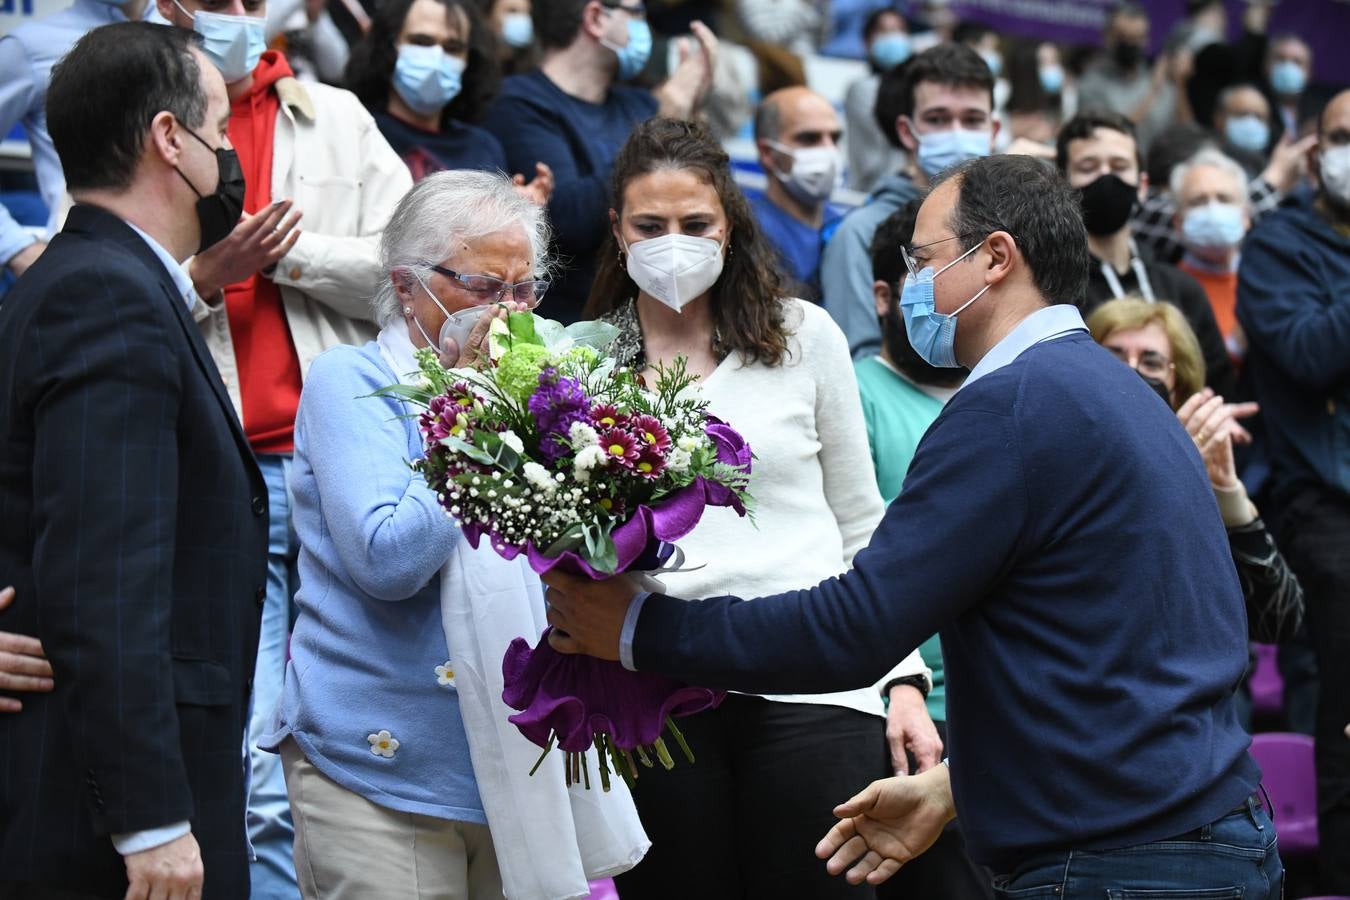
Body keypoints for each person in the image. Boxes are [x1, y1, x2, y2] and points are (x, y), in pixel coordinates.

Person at [540, 153, 1280, 899]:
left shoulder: (1011, 408)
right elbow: (1118, 659)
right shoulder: (1122, 393)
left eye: (923, 260)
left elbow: (854, 629)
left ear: (995, 258)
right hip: (1203, 828)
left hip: (1118, 859)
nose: (911, 286)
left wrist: (637, 630)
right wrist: (958, 789)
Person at [257, 168, 647, 899]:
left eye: (523, 290)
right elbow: (388, 559)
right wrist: (473, 405)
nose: (507, 312)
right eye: (482, 287)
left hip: (518, 755)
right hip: (376, 766)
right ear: (408, 286)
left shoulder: (542, 396)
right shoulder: (351, 381)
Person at [583, 116, 931, 900]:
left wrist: (904, 681)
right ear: (617, 230)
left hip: (817, 681)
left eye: (696, 223)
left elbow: (863, 524)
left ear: (731, 228)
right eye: (650, 225)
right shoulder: (585, 361)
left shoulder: (806, 336)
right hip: (657, 688)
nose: (675, 241)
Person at [0, 22, 269, 898]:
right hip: (117, 824)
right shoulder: (105, 295)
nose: (229, 156)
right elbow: (105, 573)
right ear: (168, 139)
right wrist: (149, 818)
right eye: (220, 133)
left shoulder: (98, 283)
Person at [156, 0, 414, 892]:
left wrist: (278, 256)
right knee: (256, 760)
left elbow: (407, 275)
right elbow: (114, 295)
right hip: (220, 479)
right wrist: (202, 276)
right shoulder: (142, 124)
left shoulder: (337, 115)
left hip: (352, 474)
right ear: (161, 8)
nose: (231, 14)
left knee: (377, 732)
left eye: (243, 0)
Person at [853, 201, 992, 900]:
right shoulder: (856, 394)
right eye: (918, 273)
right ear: (885, 296)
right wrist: (899, 688)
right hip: (908, 709)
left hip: (999, 706)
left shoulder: (995, 392)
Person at [1237, 88, 1350, 895]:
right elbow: (1311, 354)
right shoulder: (1280, 243)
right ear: (1314, 153)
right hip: (1327, 514)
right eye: (1344, 137)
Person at [481, 0, 718, 324]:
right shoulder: (518, 104)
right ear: (595, 18)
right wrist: (665, 116)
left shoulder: (638, 103)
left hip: (654, 317)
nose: (644, 28)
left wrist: (691, 118)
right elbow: (568, 221)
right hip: (573, 328)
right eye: (636, 13)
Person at [1086, 297, 1302, 646]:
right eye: (1113, 355)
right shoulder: (1065, 457)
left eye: (1151, 362)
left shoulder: (1203, 469)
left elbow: (1279, 620)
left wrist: (1228, 495)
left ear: (1181, 387)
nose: (1131, 369)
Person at [822, 42, 996, 359]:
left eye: (972, 120)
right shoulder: (860, 234)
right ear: (906, 131)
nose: (956, 133)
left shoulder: (1007, 223)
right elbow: (858, 364)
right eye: (937, 119)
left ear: (993, 130)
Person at [1056, 110, 1237, 397]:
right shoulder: (1052, 294)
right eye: (1088, 167)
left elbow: (1219, 389)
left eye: (1119, 165)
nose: (1106, 177)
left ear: (1141, 186)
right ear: (1063, 187)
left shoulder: (1182, 289)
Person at [0, 0, 154, 279]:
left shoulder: (185, 27)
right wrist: (16, 248)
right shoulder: (32, 47)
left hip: (192, 269)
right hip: (83, 272)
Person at [343, 0, 552, 198]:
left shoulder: (482, 147)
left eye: (452, 48)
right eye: (421, 42)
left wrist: (517, 211)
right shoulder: (358, 131)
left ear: (469, 60)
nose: (436, 58)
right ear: (387, 48)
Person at [750, 86, 845, 300]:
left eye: (834, 138)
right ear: (767, 153)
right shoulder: (749, 231)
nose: (828, 150)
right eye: (810, 139)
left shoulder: (843, 226)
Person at [1077, 2, 1187, 152]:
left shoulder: (1158, 78)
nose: (1131, 44)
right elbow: (1108, 135)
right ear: (1108, 37)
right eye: (1123, 37)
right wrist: (1153, 92)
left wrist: (1180, 83)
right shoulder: (1091, 84)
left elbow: (1186, 131)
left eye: (1137, 38)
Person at [843, 6, 910, 193]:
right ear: (867, 42)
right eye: (885, 31)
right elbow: (893, 133)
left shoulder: (917, 84)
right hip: (870, 190)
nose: (894, 38)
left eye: (899, 30)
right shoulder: (861, 89)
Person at [1263, 34, 1317, 144]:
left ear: (1309, 73)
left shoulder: (1318, 112)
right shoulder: (1254, 104)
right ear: (1266, 65)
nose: (1288, 66)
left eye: (1297, 62)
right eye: (1280, 59)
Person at [1215, 83, 1274, 175]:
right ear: (1219, 119)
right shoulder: (1207, 163)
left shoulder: (1267, 166)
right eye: (1242, 114)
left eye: (1259, 117)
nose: (1251, 123)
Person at [480, 0, 535, 75]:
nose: (522, 19)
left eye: (527, 13)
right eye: (512, 11)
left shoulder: (534, 67)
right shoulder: (474, 66)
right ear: (488, 17)